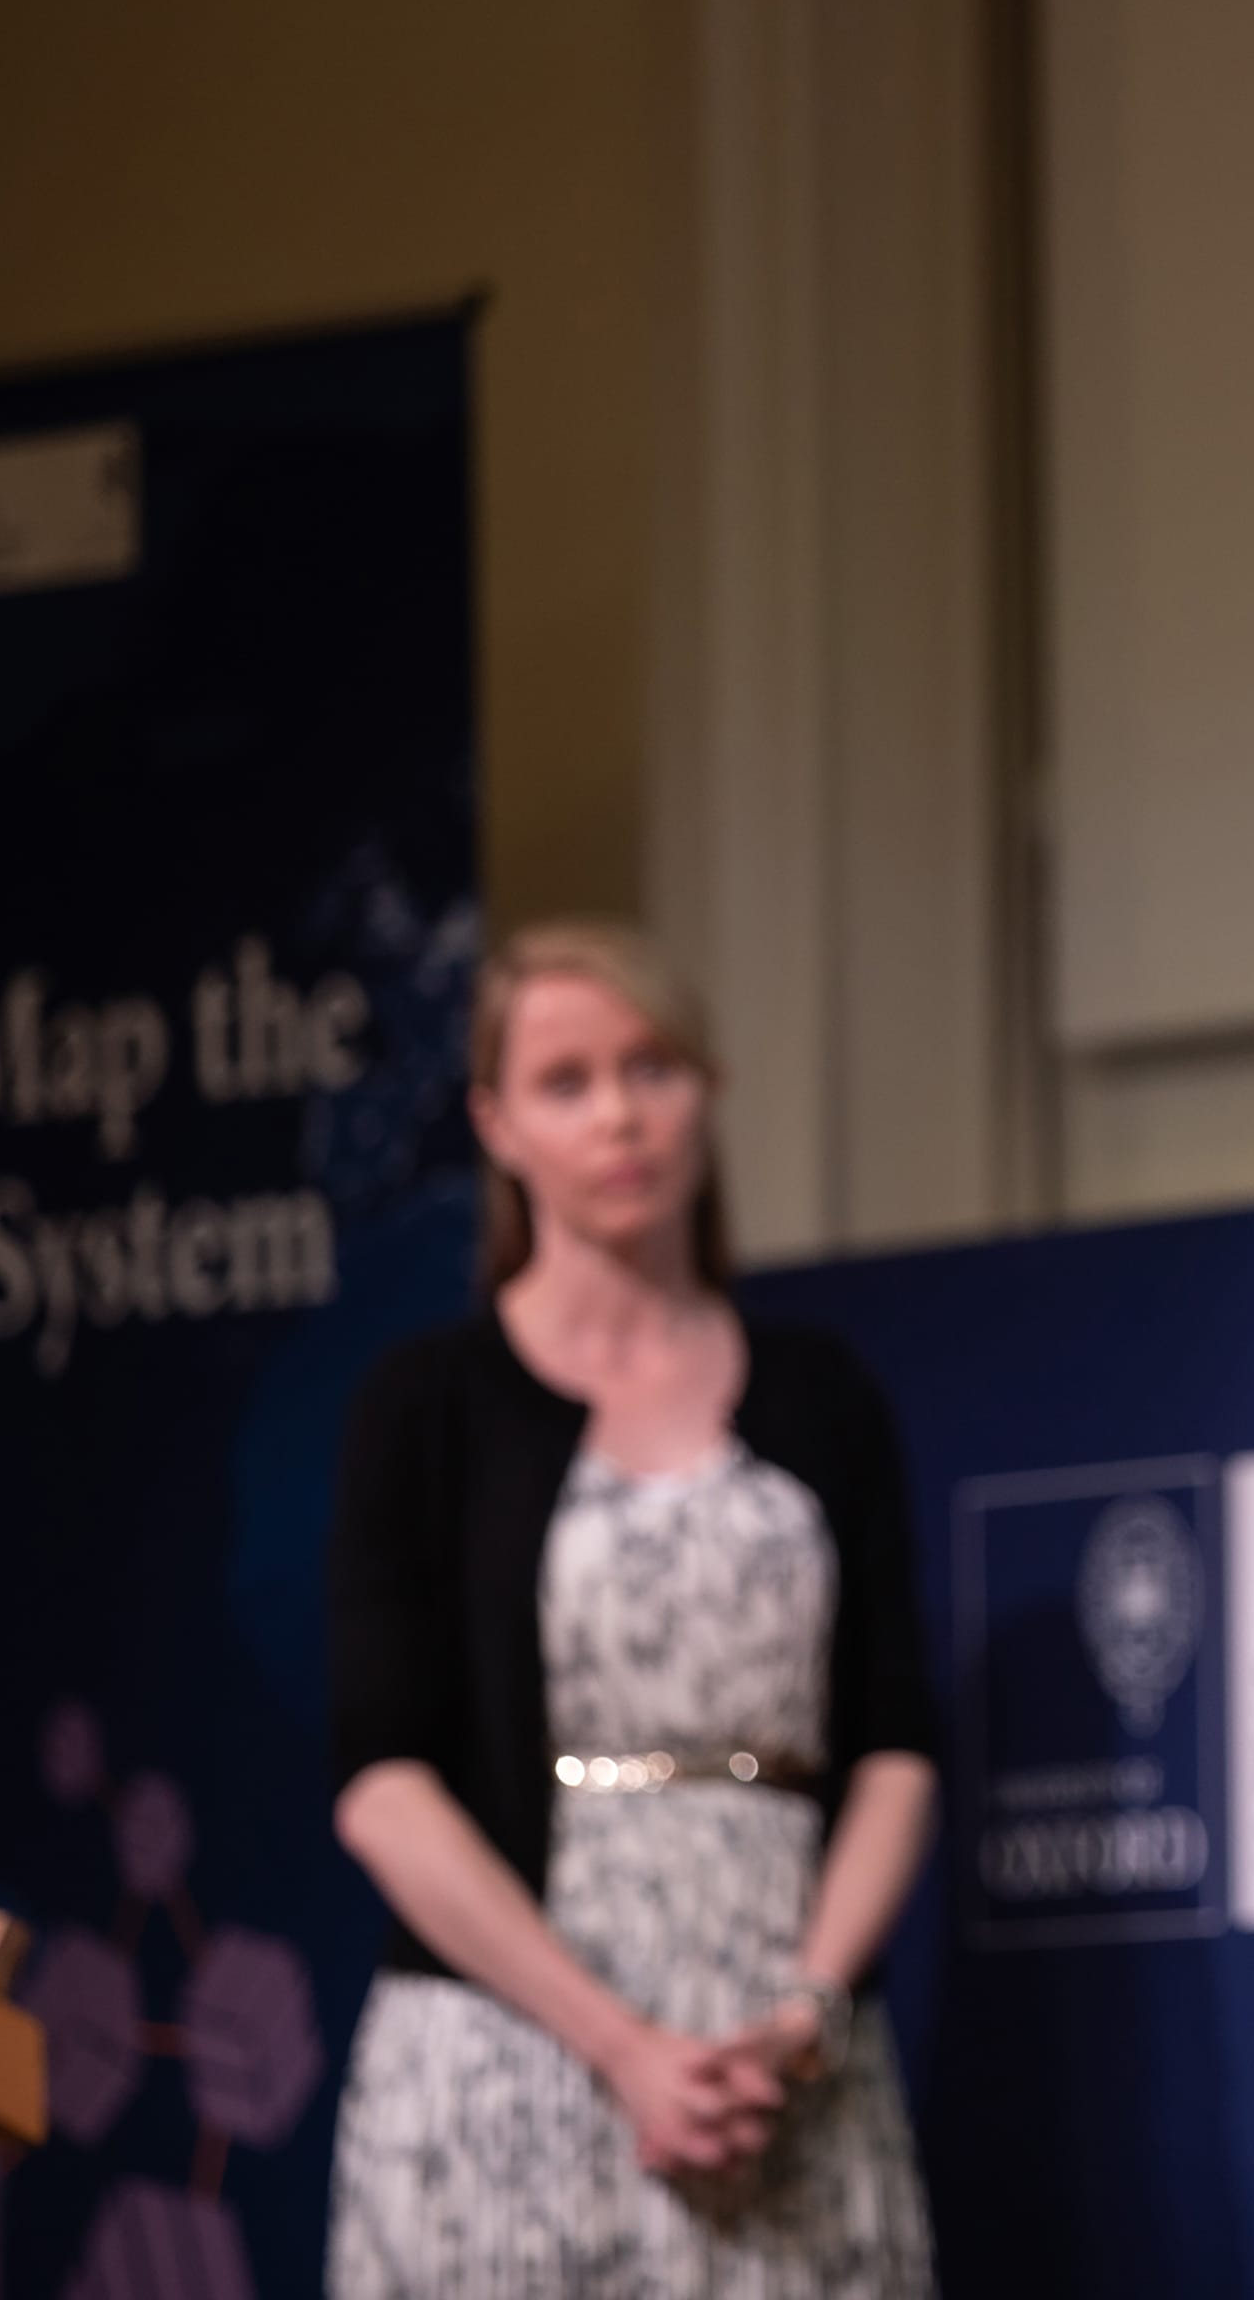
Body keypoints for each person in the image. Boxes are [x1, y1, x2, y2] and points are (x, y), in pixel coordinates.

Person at [326, 922, 938, 2296]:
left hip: (783, 2071)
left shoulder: (823, 1393)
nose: (619, 1115)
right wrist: (620, 2047)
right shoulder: (424, 1407)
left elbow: (896, 1747)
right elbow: (382, 1784)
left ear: (707, 1090)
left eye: (651, 1068)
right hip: (504, 2054)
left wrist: (803, 2016)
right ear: (496, 1126)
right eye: (567, 1082)